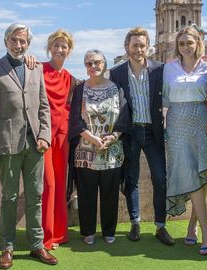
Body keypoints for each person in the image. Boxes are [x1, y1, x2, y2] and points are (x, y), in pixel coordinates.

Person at [0, 23, 57, 268]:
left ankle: (36, 245)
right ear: (6, 42)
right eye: (14, 40)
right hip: (8, 145)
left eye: (23, 41)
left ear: (28, 44)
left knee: (36, 196)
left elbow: (44, 106)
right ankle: (7, 248)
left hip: (35, 144)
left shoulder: (35, 68)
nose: (18, 45)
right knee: (9, 198)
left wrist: (44, 135)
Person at [109, 27, 174, 246]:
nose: (139, 49)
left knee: (160, 179)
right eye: (135, 45)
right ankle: (135, 222)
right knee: (131, 178)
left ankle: (160, 226)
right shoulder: (116, 73)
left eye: (142, 45)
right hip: (130, 132)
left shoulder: (160, 69)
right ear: (127, 46)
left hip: (153, 131)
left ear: (148, 47)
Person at [162, 25, 207, 255]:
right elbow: (163, 98)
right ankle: (200, 227)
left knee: (199, 176)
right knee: (187, 175)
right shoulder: (168, 69)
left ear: (197, 44)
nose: (185, 47)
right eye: (181, 43)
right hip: (175, 127)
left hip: (200, 125)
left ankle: (200, 228)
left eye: (189, 43)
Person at [68, 49, 129, 245]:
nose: (93, 66)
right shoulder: (80, 89)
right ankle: (88, 231)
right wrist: (92, 138)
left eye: (97, 62)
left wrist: (113, 136)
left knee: (110, 193)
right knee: (87, 193)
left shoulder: (116, 88)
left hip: (112, 150)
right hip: (86, 150)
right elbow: (75, 120)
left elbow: (124, 115)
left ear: (104, 64)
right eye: (89, 63)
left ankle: (109, 230)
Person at [40, 30, 76, 250]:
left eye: (64, 46)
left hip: (62, 136)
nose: (60, 49)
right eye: (56, 45)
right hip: (43, 135)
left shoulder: (70, 78)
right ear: (49, 48)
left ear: (69, 50)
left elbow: (70, 106)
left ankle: (60, 234)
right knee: (49, 185)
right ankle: (45, 237)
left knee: (61, 184)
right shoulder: (37, 70)